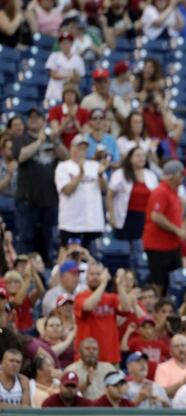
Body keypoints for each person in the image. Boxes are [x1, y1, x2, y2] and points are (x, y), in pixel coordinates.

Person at [14, 108, 67, 263]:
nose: (33, 120)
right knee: (26, 238)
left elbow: (66, 157)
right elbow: (21, 156)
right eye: (30, 117)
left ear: (44, 121)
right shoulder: (21, 139)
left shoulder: (52, 139)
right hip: (27, 199)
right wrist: (40, 141)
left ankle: (49, 272)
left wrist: (55, 140)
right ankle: (24, 270)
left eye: (37, 117)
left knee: (50, 239)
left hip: (50, 199)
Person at [107, 147, 160, 268]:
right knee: (125, 252)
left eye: (143, 155)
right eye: (138, 155)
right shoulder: (120, 174)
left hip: (144, 219)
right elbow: (110, 196)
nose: (141, 158)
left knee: (141, 251)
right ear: (130, 158)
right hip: (126, 218)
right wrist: (112, 215)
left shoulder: (150, 175)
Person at [54, 134, 107, 250]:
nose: (82, 151)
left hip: (93, 223)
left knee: (93, 262)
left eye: (84, 148)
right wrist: (81, 174)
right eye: (79, 147)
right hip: (71, 224)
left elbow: (104, 189)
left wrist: (100, 175)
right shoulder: (63, 167)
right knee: (70, 261)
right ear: (72, 148)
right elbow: (67, 190)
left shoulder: (95, 166)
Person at [142, 161, 186, 294]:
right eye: (180, 174)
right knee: (158, 282)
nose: (183, 177)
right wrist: (177, 230)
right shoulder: (161, 191)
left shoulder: (174, 192)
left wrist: (182, 228)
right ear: (172, 176)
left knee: (173, 280)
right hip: (158, 246)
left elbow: (175, 215)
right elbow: (156, 216)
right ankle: (157, 309)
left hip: (172, 245)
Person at [73, 264, 131, 365]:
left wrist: (120, 286)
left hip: (110, 357)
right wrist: (103, 284)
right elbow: (88, 306)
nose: (95, 277)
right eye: (92, 274)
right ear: (87, 277)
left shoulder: (111, 298)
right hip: (87, 359)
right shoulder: (80, 296)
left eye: (98, 274)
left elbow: (126, 308)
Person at [44, 32, 85, 102]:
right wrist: (69, 75)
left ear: (71, 44)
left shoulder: (78, 59)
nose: (65, 45)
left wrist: (72, 76)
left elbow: (79, 77)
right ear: (60, 45)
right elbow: (53, 75)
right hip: (54, 92)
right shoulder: (54, 56)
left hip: (71, 93)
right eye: (63, 43)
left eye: (67, 42)